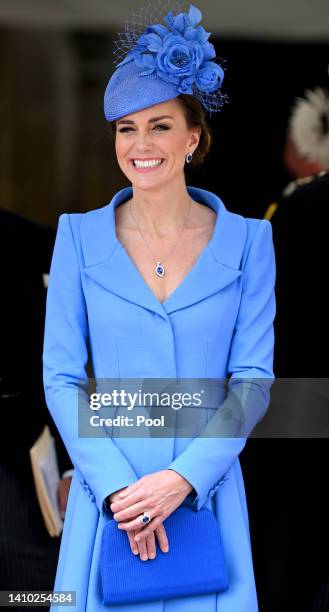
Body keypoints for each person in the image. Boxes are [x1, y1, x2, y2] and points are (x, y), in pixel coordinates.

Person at [42, 3, 276, 611]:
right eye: (126, 128)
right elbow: (61, 376)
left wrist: (181, 480)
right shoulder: (77, 237)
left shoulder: (250, 241)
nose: (141, 144)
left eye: (160, 126)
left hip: (206, 493)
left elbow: (252, 382)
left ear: (193, 137)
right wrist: (123, 489)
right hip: (109, 501)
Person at [0, 208, 72, 602]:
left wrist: (70, 464)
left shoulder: (28, 240)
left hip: (19, 466)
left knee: (32, 594)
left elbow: (66, 365)